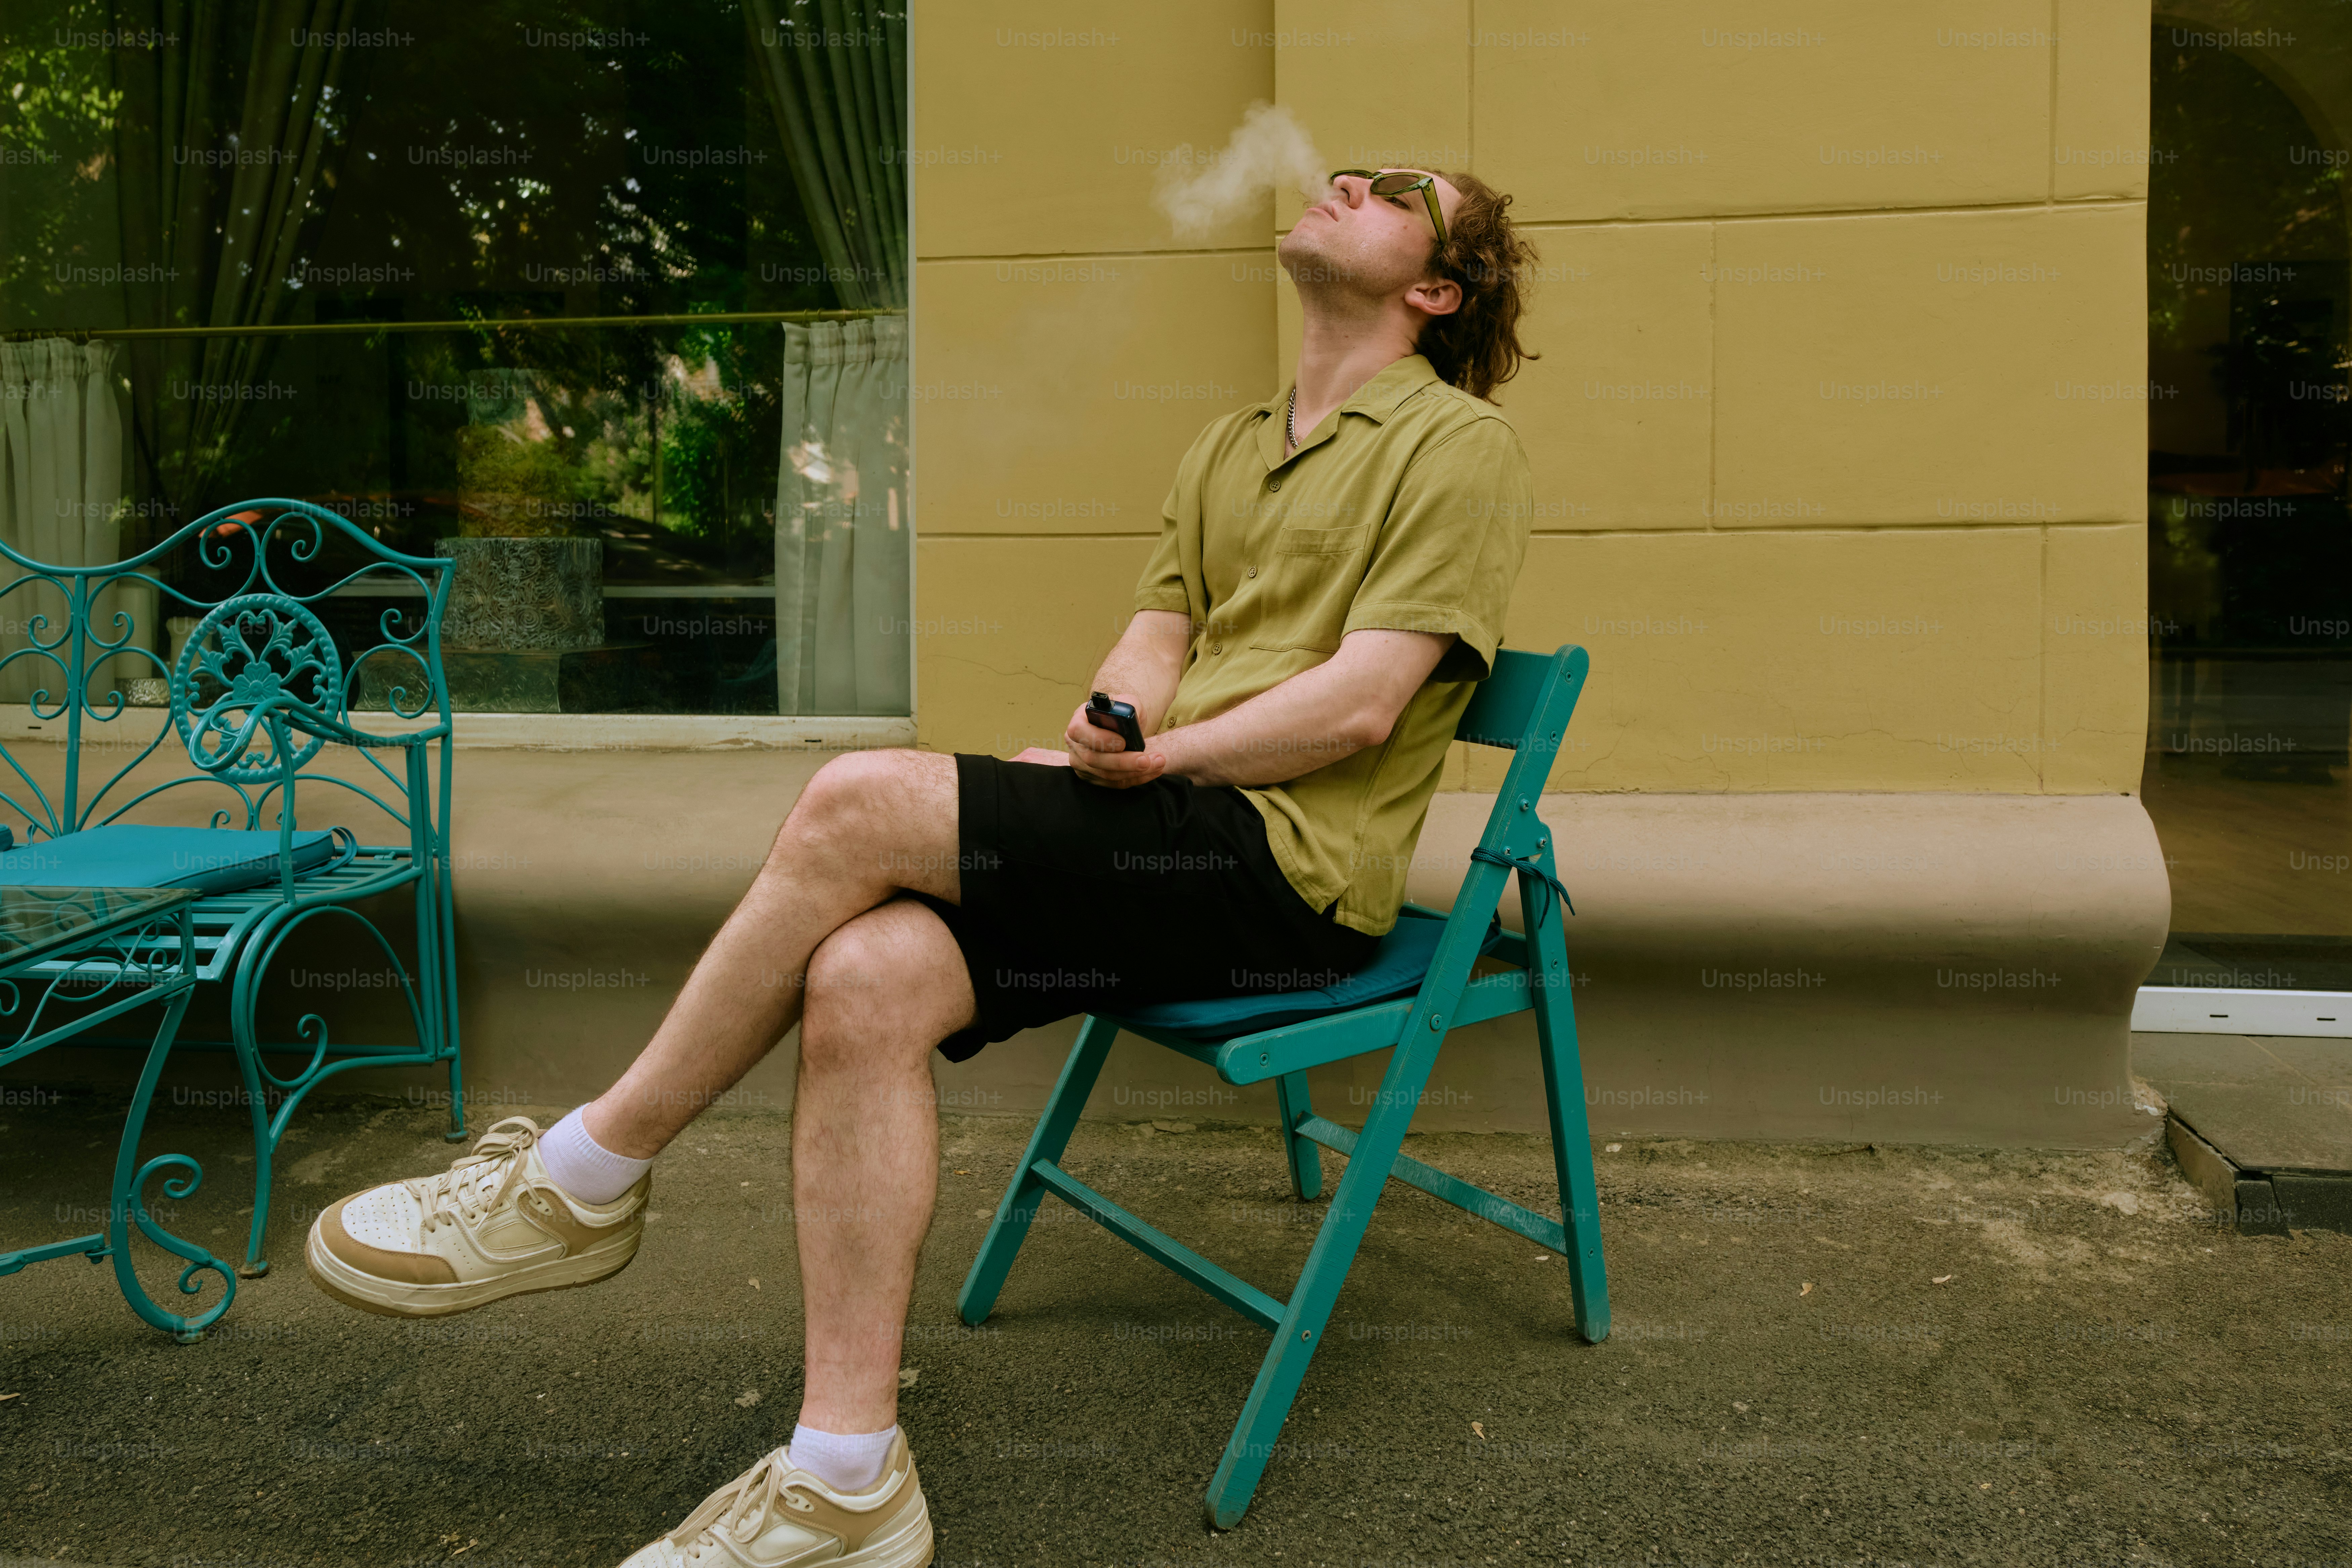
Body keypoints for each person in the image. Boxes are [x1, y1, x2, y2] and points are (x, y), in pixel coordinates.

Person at [304, 165, 1540, 1568]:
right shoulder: (1233, 443)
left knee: (853, 800)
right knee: (866, 972)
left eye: (1394, 190)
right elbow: (1162, 630)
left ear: (1434, 288)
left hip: (1284, 880)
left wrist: (1160, 764)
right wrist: (1111, 722)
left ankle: (584, 1176)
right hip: (1166, 830)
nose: (1344, 180)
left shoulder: (1461, 447)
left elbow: (1363, 706)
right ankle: (847, 1484)